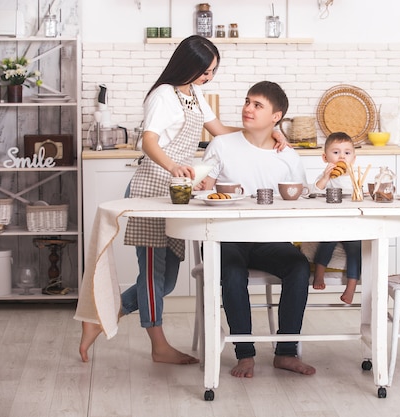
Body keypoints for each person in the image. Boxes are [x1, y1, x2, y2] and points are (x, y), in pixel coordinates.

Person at [78, 36, 288, 365]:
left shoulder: (194, 94)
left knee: (168, 279)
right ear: (188, 66)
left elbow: (220, 130)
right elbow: (148, 142)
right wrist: (173, 165)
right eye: (205, 71)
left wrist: (266, 131)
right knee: (151, 274)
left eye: (213, 71)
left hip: (176, 193)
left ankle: (101, 317)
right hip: (151, 190)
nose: (209, 77)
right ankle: (158, 345)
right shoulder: (163, 95)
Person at [198, 81, 315, 378]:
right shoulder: (222, 144)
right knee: (234, 273)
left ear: (276, 117)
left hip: (268, 238)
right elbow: (203, 195)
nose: (248, 109)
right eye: (247, 102)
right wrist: (200, 187)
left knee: (299, 267)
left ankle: (286, 353)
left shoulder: (287, 156)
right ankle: (245, 354)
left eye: (257, 105)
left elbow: (301, 198)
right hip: (225, 237)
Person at [310, 132, 361, 304]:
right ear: (325, 157)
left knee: (355, 248)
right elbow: (315, 191)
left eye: (347, 153)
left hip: (352, 225)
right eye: (336, 152)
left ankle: (351, 286)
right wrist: (325, 177)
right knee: (327, 241)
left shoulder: (355, 177)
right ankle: (319, 274)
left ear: (353, 158)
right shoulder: (328, 176)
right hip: (332, 222)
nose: (342, 156)